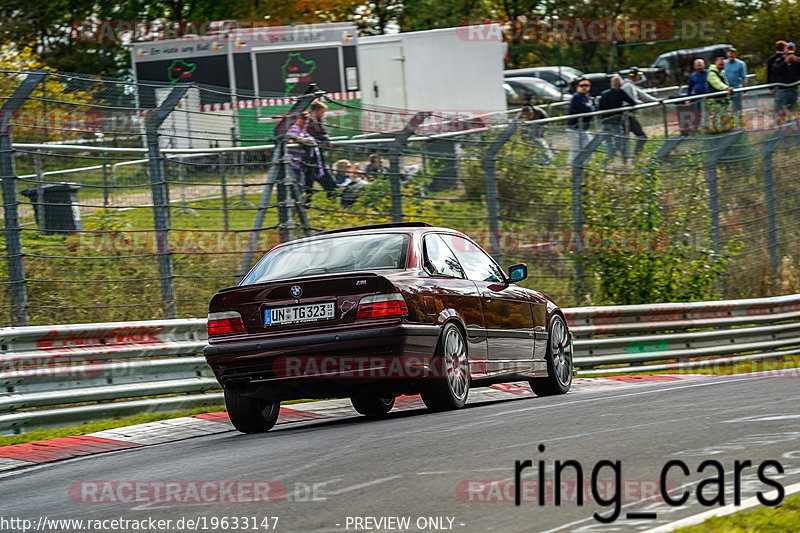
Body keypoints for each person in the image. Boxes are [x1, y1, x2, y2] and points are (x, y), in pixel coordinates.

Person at [621, 67, 664, 158]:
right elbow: (630, 100)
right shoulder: (628, 86)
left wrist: (656, 101)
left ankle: (628, 158)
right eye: (638, 76)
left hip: (630, 116)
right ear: (635, 76)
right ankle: (633, 158)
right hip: (627, 116)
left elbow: (644, 96)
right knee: (639, 137)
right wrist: (638, 102)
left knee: (626, 139)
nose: (639, 78)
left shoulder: (632, 85)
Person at [598, 75, 636, 163]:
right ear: (620, 84)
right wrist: (624, 107)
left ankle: (608, 159)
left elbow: (600, 108)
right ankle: (611, 156)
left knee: (608, 143)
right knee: (620, 142)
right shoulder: (620, 92)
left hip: (605, 122)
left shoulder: (604, 93)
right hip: (616, 122)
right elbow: (632, 103)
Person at [287, 111, 324, 201]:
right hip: (291, 163)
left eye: (307, 120)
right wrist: (301, 140)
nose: (306, 122)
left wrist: (303, 140)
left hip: (298, 163)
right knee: (297, 187)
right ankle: (300, 205)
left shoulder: (302, 130)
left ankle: (298, 206)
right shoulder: (294, 128)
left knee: (298, 185)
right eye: (303, 120)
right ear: (298, 120)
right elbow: (290, 138)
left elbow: (311, 139)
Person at [306, 100, 337, 194]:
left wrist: (325, 138)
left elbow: (321, 132)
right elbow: (310, 135)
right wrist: (324, 138)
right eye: (322, 112)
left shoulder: (316, 120)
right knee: (308, 185)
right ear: (316, 111)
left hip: (316, 157)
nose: (323, 114)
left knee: (330, 185)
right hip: (309, 157)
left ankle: (329, 199)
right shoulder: (308, 120)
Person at [566, 78, 596, 166]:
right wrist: (591, 108)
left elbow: (595, 107)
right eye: (582, 85)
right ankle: (571, 168)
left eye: (586, 85)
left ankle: (583, 166)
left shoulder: (588, 97)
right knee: (575, 150)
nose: (584, 87)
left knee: (589, 147)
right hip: (574, 128)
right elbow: (587, 109)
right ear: (577, 87)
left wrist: (591, 108)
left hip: (584, 128)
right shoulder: (577, 97)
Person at [772, 42, 800, 123]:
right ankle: (779, 128)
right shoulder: (779, 60)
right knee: (780, 111)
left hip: (793, 89)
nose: (790, 51)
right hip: (782, 90)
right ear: (785, 49)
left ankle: (791, 128)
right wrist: (785, 62)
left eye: (791, 49)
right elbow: (775, 71)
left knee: (792, 110)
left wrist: (797, 63)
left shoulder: (797, 60)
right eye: (788, 48)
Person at [706, 56, 735, 132]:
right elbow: (716, 83)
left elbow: (725, 82)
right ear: (715, 63)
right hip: (714, 100)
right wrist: (726, 88)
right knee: (716, 118)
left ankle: (726, 130)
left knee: (726, 116)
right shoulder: (711, 73)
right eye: (720, 64)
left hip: (723, 100)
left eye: (723, 64)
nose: (722, 65)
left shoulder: (722, 72)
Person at [724, 48, 747, 116]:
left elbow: (744, 77)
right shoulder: (724, 63)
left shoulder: (741, 64)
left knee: (737, 108)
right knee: (727, 108)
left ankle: (739, 122)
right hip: (726, 89)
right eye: (729, 56)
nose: (730, 58)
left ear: (736, 55)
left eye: (732, 56)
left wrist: (744, 90)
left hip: (736, 89)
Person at [767, 41, 787, 111]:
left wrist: (770, 86)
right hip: (785, 84)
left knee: (779, 106)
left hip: (776, 84)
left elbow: (769, 73)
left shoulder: (771, 59)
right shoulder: (787, 58)